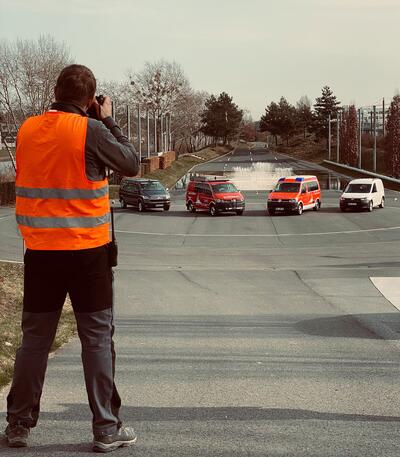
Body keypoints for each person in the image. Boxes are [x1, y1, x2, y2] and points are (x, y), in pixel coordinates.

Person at [4, 64, 140, 453]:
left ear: (55, 91)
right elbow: (130, 163)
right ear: (89, 100)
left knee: (34, 340)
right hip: (87, 253)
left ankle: (19, 424)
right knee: (96, 338)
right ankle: (106, 429)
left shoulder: (28, 130)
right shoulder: (91, 130)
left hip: (41, 253)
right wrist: (109, 119)